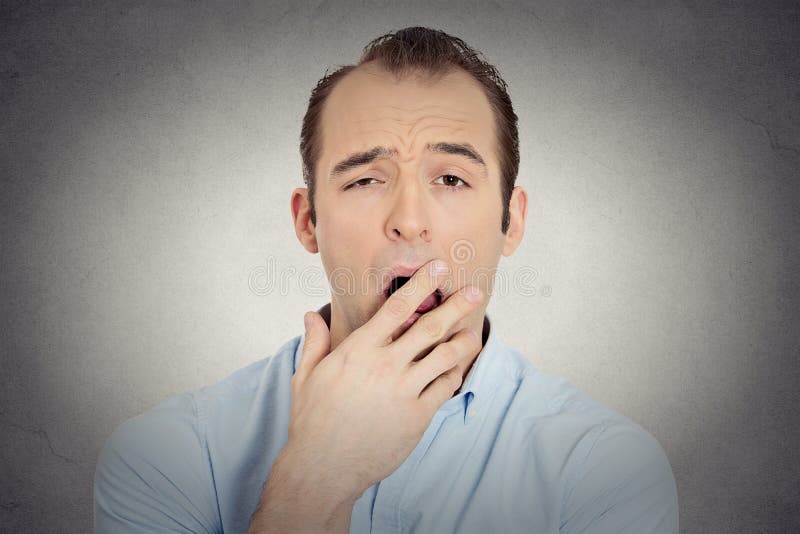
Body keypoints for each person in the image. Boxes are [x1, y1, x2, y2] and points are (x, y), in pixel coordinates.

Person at [94, 27, 679, 533]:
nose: (408, 222)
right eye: (364, 180)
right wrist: (314, 479)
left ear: (512, 221)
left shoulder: (607, 469)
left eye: (450, 179)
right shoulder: (166, 456)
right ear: (307, 221)